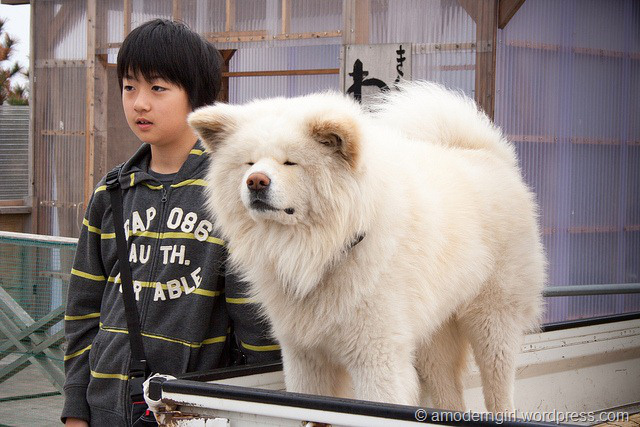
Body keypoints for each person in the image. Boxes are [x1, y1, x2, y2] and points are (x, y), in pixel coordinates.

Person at [62, 19, 280, 426]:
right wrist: (76, 408)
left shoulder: (230, 194)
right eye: (129, 87)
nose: (139, 103)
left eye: (158, 88)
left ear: (196, 97)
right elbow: (82, 311)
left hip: (192, 410)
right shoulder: (111, 193)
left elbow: (255, 321)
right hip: (106, 408)